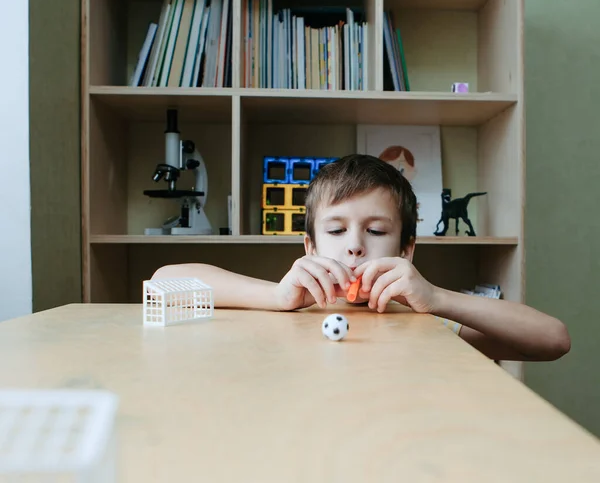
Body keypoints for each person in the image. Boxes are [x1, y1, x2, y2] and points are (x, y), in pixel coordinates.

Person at [152, 154, 571, 362]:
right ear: (310, 248)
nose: (354, 246)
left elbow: (554, 340)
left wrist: (438, 298)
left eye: (375, 231)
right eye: (336, 231)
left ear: (406, 249)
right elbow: (162, 282)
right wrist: (277, 296)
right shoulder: (286, 306)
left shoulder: (430, 321)